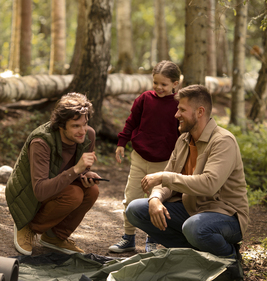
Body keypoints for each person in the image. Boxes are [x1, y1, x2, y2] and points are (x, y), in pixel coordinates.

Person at [126, 84, 249, 259]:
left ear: (200, 112)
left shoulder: (223, 141)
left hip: (225, 215)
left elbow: (208, 184)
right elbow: (166, 181)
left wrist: (164, 177)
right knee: (136, 210)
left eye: (182, 110)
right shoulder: (183, 139)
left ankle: (229, 259)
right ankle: (196, 255)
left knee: (194, 228)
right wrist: (155, 198)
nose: (176, 115)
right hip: (191, 209)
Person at [5, 92, 103, 256]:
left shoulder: (88, 135)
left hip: (57, 187)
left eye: (85, 124)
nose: (82, 131)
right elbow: (40, 191)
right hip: (28, 195)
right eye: (75, 126)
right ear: (60, 125)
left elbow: (79, 170)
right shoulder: (41, 142)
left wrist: (86, 174)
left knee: (92, 191)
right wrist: (76, 170)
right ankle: (28, 226)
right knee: (74, 194)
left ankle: (55, 236)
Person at [109, 60, 181, 253]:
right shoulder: (144, 98)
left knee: (156, 201)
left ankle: (152, 239)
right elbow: (131, 121)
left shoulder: (178, 105)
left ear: (175, 83)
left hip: (164, 163)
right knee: (130, 197)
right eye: (155, 82)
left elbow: (183, 134)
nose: (158, 87)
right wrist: (122, 143)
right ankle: (128, 237)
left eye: (163, 84)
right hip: (140, 157)